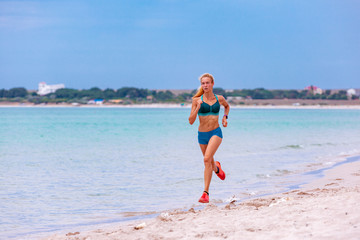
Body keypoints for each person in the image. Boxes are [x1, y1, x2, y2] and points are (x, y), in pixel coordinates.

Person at [188, 73, 230, 203]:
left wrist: (225, 117)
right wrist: (198, 107)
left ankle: (205, 193)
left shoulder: (220, 98)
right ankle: (216, 168)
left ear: (212, 84)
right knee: (209, 161)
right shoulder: (196, 100)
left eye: (207, 83)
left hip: (215, 132)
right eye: (203, 83)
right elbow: (190, 121)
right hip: (202, 135)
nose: (205, 85)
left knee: (206, 159)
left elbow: (227, 107)